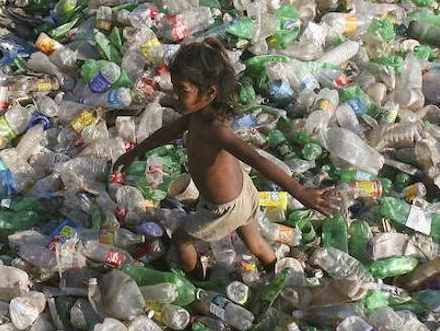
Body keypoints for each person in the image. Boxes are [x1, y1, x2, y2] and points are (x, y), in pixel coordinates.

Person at [113, 38, 340, 277]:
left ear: (210, 92)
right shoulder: (197, 114)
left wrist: (301, 192)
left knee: (181, 240)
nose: (176, 97)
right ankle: (277, 272)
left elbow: (258, 161)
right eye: (175, 88)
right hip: (242, 193)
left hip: (224, 208)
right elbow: (168, 132)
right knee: (254, 243)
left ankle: (196, 281)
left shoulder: (215, 129)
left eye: (183, 91)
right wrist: (135, 151)